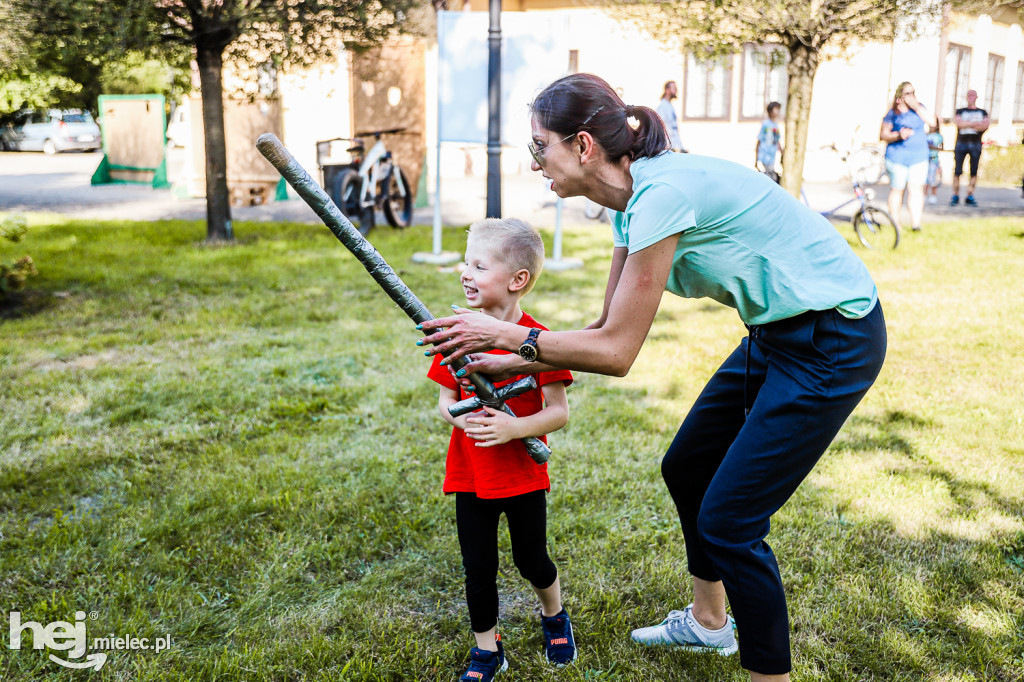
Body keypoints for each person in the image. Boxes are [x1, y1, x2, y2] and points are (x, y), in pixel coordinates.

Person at [417, 73, 887, 682]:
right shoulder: (630, 204)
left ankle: (769, 674)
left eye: (541, 146)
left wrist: (508, 336)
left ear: (583, 146)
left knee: (731, 521)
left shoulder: (661, 196)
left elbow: (616, 354)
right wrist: (510, 360)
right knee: (687, 466)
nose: (536, 163)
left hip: (834, 336)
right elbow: (603, 327)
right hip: (778, 334)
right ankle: (710, 623)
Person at [426, 218, 576, 682]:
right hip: (471, 472)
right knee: (479, 566)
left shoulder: (539, 340)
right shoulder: (455, 336)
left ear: (518, 280)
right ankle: (487, 651)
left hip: (522, 473)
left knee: (531, 558)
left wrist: (515, 429)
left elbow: (558, 413)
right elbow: (444, 404)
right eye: (465, 263)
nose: (464, 273)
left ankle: (554, 616)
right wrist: (461, 416)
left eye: (479, 264)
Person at [880, 81, 936, 232]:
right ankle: (896, 224)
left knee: (916, 188)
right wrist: (898, 135)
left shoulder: (919, 109)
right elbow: (883, 134)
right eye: (907, 93)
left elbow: (932, 122)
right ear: (900, 96)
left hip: (918, 156)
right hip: (897, 156)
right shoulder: (893, 113)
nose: (911, 96)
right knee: (898, 189)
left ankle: (916, 225)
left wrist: (916, 106)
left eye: (913, 92)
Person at [951, 89, 990, 206]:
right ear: (966, 97)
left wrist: (967, 123)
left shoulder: (982, 112)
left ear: (976, 97)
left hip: (976, 144)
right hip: (961, 144)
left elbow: (984, 126)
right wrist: (975, 124)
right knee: (957, 171)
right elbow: (959, 124)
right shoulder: (960, 111)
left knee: (973, 171)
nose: (971, 97)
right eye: (969, 95)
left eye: (973, 95)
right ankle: (955, 195)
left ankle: (970, 195)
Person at [754, 101, 784, 183]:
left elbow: (777, 140)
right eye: (776, 109)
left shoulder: (776, 125)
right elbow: (759, 140)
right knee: (770, 178)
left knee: (771, 176)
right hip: (765, 155)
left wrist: (782, 152)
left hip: (772, 155)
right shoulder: (766, 124)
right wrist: (756, 159)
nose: (777, 112)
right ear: (770, 111)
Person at [655, 80, 686, 153]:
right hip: (668, 148)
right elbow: (661, 127)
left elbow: (674, 128)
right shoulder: (662, 107)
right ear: (667, 90)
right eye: (674, 88)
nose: (676, 90)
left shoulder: (670, 106)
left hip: (675, 147)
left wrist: (680, 147)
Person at [925, 123, 944, 205]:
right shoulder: (925, 135)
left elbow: (941, 148)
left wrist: (932, 147)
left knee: (933, 178)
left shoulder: (939, 136)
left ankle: (933, 195)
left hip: (934, 159)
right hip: (925, 159)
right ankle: (925, 195)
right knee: (925, 179)